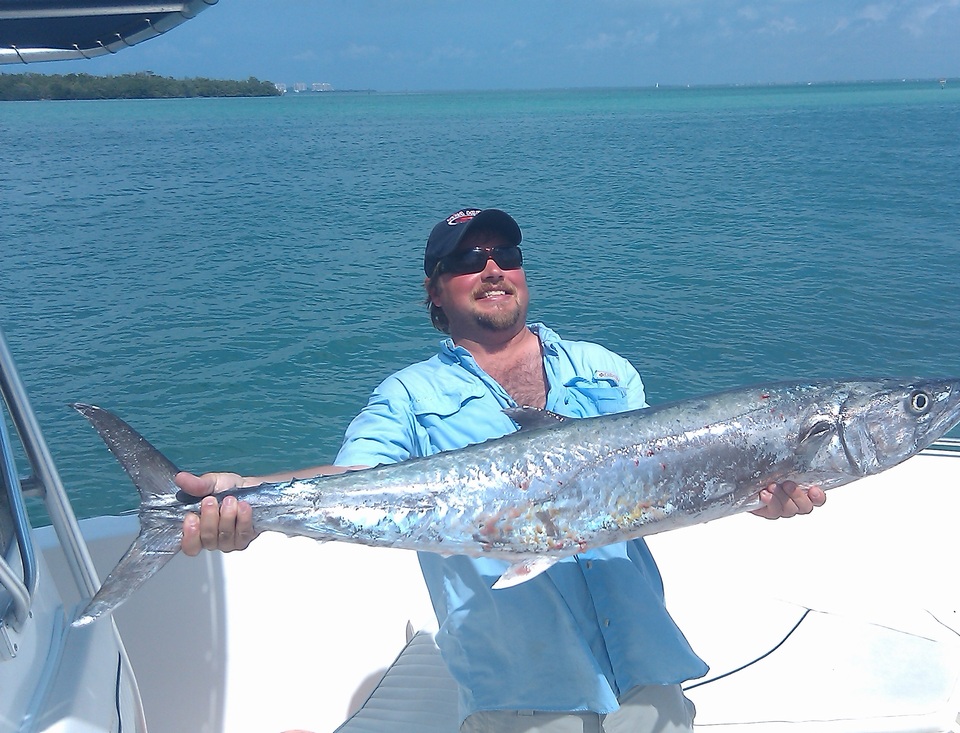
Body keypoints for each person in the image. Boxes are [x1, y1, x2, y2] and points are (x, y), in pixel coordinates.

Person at [175, 207, 826, 733]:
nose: (491, 267)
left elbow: (663, 481)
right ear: (434, 288)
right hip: (522, 693)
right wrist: (250, 496)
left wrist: (756, 494)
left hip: (646, 672)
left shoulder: (604, 369)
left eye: (505, 255)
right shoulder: (409, 395)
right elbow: (358, 477)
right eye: (466, 258)